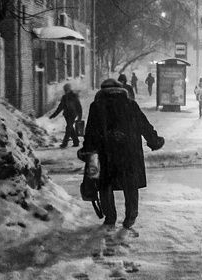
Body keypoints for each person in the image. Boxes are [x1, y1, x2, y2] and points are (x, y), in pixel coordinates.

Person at [82, 78, 164, 231]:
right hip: (129, 153)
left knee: (105, 185)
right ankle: (131, 216)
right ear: (121, 90)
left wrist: (87, 150)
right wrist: (154, 140)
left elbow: (91, 131)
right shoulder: (130, 105)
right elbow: (144, 125)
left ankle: (110, 217)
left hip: (105, 154)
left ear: (102, 91)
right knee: (130, 184)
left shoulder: (97, 106)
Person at [50, 82, 83, 148]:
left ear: (69, 89)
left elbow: (79, 106)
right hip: (67, 115)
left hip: (73, 114)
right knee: (70, 128)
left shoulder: (74, 96)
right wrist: (54, 115)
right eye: (65, 90)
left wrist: (80, 116)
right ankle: (76, 142)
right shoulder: (64, 97)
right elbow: (60, 107)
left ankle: (65, 143)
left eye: (66, 89)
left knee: (68, 128)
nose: (65, 91)